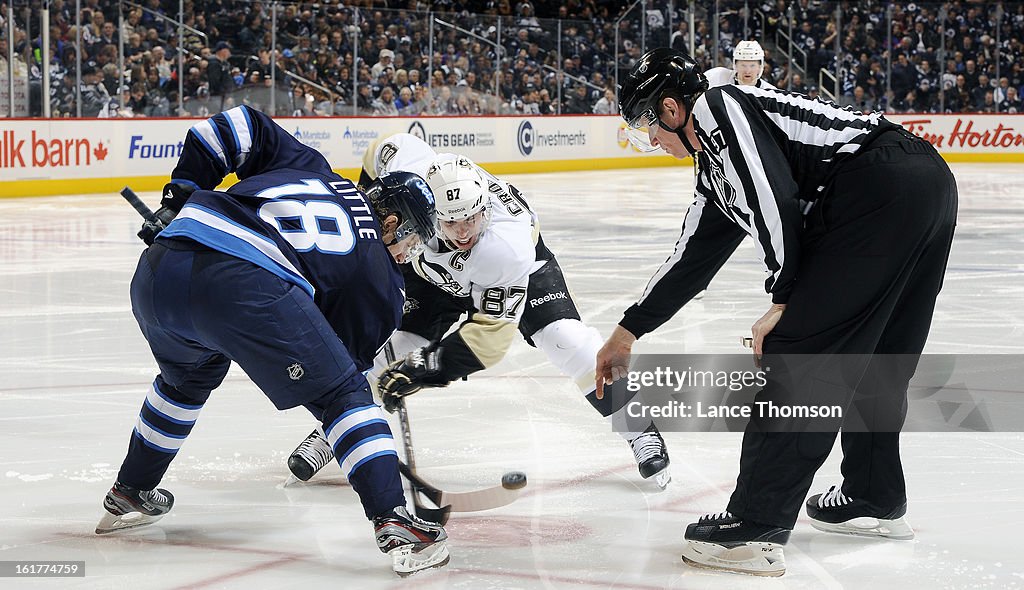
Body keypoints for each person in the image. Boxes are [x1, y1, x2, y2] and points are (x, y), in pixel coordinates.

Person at [598, 48, 957, 576]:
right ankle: (874, 494)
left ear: (673, 109)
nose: (651, 139)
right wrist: (629, 331)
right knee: (879, 359)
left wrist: (783, 297)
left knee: (799, 355)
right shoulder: (717, 165)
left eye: (648, 124)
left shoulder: (718, 109)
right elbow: (692, 258)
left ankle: (755, 526)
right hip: (922, 184)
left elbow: (776, 201)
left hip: (875, 187)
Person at [94, 105, 450, 577]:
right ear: (392, 223)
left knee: (186, 379)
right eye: (412, 238)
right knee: (345, 394)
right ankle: (394, 519)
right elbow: (343, 376)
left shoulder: (314, 168)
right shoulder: (382, 279)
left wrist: (181, 193)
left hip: (160, 268)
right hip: (242, 282)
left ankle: (131, 489)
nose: (409, 254)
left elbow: (237, 124)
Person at [288, 132, 672, 489]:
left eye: (472, 218)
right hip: (431, 269)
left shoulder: (505, 249)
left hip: (513, 275)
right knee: (396, 349)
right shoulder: (408, 165)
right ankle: (335, 430)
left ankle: (638, 428)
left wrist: (429, 368)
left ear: (485, 205)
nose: (463, 233)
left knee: (565, 340)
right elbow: (379, 155)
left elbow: (489, 339)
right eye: (451, 222)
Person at [703, 40, 772, 88]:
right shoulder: (716, 77)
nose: (747, 71)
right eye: (743, 65)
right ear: (735, 65)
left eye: (752, 66)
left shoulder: (771, 94)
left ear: (760, 67)